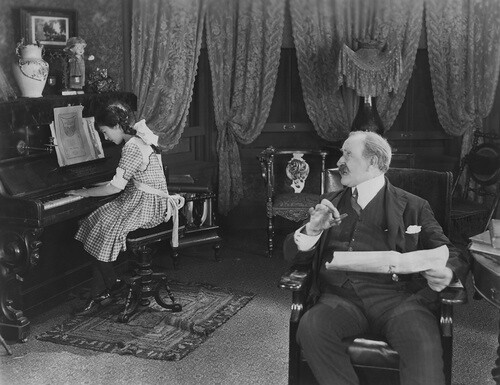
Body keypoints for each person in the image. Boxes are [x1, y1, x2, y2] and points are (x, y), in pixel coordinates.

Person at [283, 131, 469, 385]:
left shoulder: (414, 205)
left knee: (422, 345)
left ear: (374, 162)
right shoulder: (329, 203)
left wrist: (447, 272)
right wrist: (311, 231)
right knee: (311, 327)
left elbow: (452, 253)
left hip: (400, 301)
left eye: (348, 154)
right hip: (340, 298)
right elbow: (292, 256)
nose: (339, 161)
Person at [67, 101, 184, 315]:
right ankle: (101, 291)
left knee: (100, 224)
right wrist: (94, 187)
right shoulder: (139, 140)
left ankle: (112, 286)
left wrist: (83, 192)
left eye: (105, 132)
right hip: (148, 200)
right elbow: (126, 180)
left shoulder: (131, 147)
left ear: (118, 127)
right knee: (98, 222)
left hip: (145, 205)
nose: (105, 138)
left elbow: (114, 186)